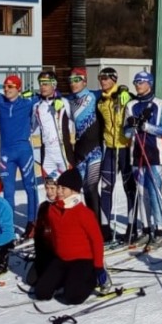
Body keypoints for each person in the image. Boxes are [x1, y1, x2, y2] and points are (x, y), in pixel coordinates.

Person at [34, 169, 109, 305]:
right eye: (59, 187)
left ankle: (92, 278)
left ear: (74, 191)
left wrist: (98, 266)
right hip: (62, 259)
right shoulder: (53, 210)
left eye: (63, 188)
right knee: (41, 293)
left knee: (73, 298)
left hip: (83, 259)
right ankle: (67, 278)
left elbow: (97, 240)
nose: (59, 191)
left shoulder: (84, 213)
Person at [123, 70, 162, 251]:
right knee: (141, 193)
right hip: (137, 155)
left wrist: (145, 126)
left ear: (149, 83)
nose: (137, 85)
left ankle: (158, 230)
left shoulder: (161, 104)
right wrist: (132, 126)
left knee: (154, 192)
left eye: (141, 82)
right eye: (136, 82)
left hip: (155, 155)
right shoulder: (131, 105)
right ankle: (145, 229)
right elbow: (126, 132)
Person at [96, 66, 136, 243]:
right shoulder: (101, 100)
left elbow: (137, 104)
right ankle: (104, 228)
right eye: (100, 78)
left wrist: (128, 94)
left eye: (106, 78)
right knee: (105, 189)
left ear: (114, 79)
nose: (102, 81)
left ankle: (132, 228)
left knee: (130, 189)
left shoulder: (123, 96)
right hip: (110, 149)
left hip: (125, 149)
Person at [0, 74, 38, 240]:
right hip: (6, 153)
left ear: (19, 89)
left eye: (11, 86)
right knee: (8, 191)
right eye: (5, 86)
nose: (7, 89)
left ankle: (32, 222)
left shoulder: (28, 102)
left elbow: (51, 94)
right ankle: (8, 225)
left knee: (30, 187)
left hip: (23, 151)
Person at [66, 67, 102, 223]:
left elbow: (111, 91)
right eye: (71, 80)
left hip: (96, 149)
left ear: (85, 81)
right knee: (76, 188)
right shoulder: (68, 100)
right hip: (80, 149)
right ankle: (83, 223)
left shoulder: (94, 95)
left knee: (91, 187)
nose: (73, 84)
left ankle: (99, 226)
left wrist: (123, 90)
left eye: (77, 80)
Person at [31, 70, 75, 180]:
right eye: (40, 83)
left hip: (63, 152)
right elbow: (30, 127)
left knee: (68, 187)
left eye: (45, 83)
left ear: (54, 84)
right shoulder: (37, 106)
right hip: (47, 154)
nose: (42, 87)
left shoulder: (64, 102)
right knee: (50, 189)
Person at [26, 175, 59, 286]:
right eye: (47, 188)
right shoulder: (43, 206)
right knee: (31, 280)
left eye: (52, 188)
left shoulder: (64, 205)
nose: (49, 192)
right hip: (46, 251)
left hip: (60, 251)